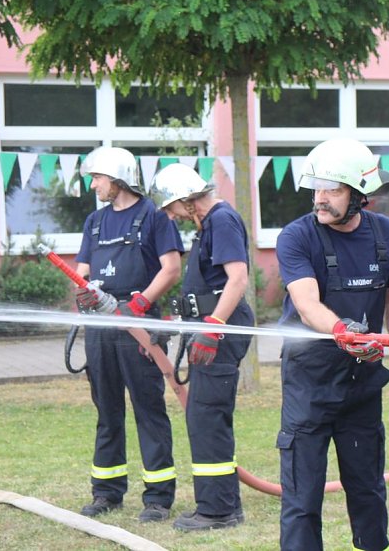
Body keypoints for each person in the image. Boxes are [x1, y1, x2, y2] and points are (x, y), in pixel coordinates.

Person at [275, 137, 389, 551]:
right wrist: (341, 331)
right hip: (309, 384)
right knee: (302, 498)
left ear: (359, 194)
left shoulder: (384, 233)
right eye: (316, 188)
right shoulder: (297, 237)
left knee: (368, 490)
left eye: (332, 190)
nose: (320, 198)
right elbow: (306, 304)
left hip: (361, 386)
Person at [73, 146, 183, 522]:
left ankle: (158, 498)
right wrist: (84, 292)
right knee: (107, 409)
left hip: (139, 326)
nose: (93, 185)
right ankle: (106, 492)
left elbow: (171, 268)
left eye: (97, 178)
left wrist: (140, 303)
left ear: (118, 178)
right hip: (101, 327)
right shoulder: (95, 221)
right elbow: (83, 269)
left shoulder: (155, 217)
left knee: (148, 409)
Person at [150, 163, 254, 531]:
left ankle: (218, 511)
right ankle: (222, 504)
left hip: (219, 334)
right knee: (205, 415)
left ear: (187, 199)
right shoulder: (209, 225)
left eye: (171, 207)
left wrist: (213, 329)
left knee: (208, 417)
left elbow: (237, 278)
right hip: (211, 329)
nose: (170, 215)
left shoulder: (222, 220)